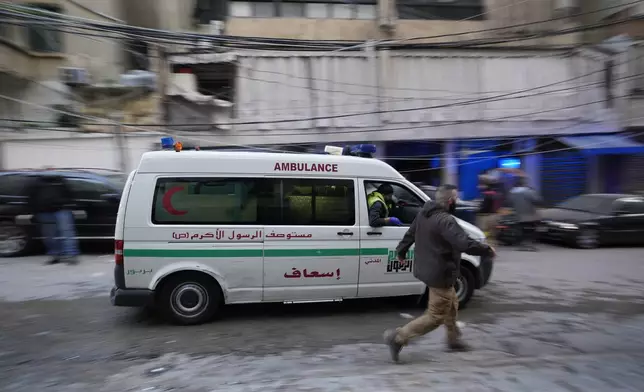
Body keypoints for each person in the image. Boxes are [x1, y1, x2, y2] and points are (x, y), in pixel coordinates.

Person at [383, 185, 495, 363]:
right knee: (435, 316)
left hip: (428, 269)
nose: (456, 202)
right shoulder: (445, 220)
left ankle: (453, 340)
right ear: (450, 201)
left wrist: (401, 251)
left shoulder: (423, 213)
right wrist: (486, 249)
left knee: (451, 304)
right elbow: (463, 243)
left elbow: (411, 234)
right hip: (440, 273)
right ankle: (398, 338)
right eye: (455, 199)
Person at [28, 175, 80, 265]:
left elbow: (70, 195)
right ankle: (58, 255)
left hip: (58, 210)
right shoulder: (38, 182)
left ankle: (68, 255)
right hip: (47, 211)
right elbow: (31, 197)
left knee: (63, 234)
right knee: (53, 236)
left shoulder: (58, 181)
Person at [508, 176, 542, 251]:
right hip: (529, 215)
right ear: (523, 183)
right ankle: (530, 245)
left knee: (521, 230)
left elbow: (510, 203)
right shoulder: (528, 191)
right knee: (531, 230)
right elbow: (537, 200)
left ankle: (521, 245)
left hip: (518, 215)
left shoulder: (512, 192)